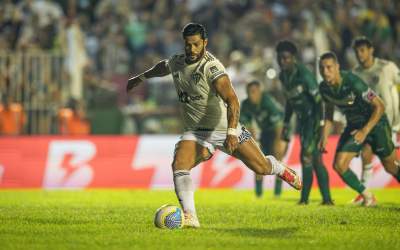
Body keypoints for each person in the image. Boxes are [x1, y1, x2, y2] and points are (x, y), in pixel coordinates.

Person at [127, 23, 302, 228]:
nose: (191, 49)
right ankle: (190, 216)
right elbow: (163, 66)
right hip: (197, 133)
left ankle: (280, 168)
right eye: (187, 45)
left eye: (196, 45)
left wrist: (231, 132)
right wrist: (140, 78)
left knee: (261, 167)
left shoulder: (212, 67)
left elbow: (233, 100)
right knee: (179, 164)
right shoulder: (177, 62)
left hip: (225, 128)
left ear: (205, 43)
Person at [318, 52, 400, 207]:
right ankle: (368, 197)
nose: (325, 72)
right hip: (354, 126)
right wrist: (324, 136)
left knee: (390, 166)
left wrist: (365, 130)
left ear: (337, 67)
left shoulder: (353, 82)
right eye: (321, 68)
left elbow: (380, 106)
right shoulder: (324, 88)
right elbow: (328, 114)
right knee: (339, 165)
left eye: (329, 67)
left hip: (376, 125)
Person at [276, 40, 333, 205]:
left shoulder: (304, 74)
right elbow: (290, 101)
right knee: (315, 160)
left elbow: (319, 101)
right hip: (302, 120)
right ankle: (327, 200)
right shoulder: (283, 76)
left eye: (286, 58)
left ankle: (304, 199)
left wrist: (321, 125)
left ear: (293, 58)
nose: (283, 61)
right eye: (280, 58)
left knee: (306, 157)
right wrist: (286, 123)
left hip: (313, 119)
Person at [351, 36, 400, 204]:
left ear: (371, 50)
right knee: (366, 151)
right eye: (357, 51)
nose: (359, 54)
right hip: (371, 123)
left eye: (362, 50)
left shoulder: (387, 68)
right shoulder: (356, 73)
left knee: (391, 165)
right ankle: (365, 193)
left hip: (391, 123)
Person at [240, 80, 287, 198]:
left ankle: (277, 193)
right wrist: (255, 144)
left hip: (281, 128)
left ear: (260, 92)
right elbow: (248, 128)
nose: (251, 95)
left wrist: (279, 144)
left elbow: (279, 127)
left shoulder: (267, 101)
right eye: (249, 92)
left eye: (254, 92)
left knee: (278, 157)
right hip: (265, 131)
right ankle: (259, 195)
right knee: (256, 158)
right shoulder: (246, 105)